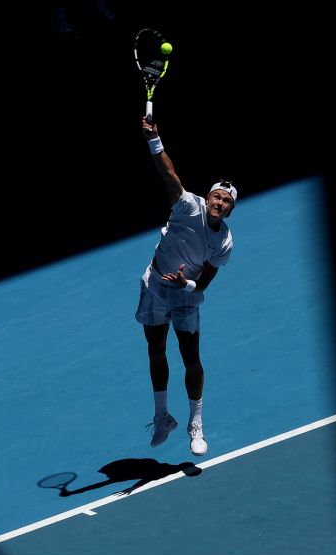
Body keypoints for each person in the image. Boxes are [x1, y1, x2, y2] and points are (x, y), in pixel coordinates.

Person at [135, 115, 236, 456]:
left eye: (226, 202)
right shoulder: (185, 205)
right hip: (154, 286)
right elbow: (168, 172)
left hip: (186, 296)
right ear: (208, 197)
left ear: (229, 211)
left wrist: (186, 284)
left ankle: (196, 422)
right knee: (156, 350)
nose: (219, 203)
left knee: (191, 357)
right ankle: (162, 416)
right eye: (217, 197)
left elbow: (205, 282)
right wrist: (154, 138)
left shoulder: (224, 243)